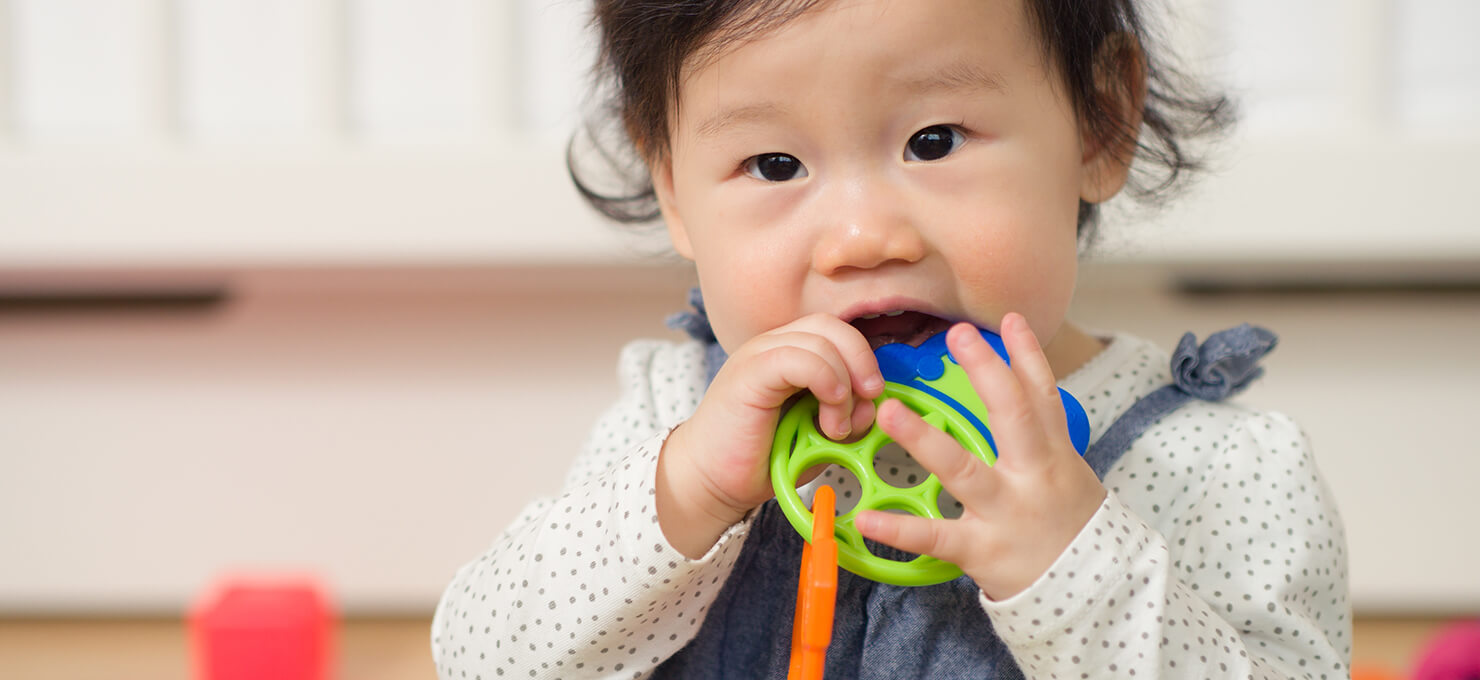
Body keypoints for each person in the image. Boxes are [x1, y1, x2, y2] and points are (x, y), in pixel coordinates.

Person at [432, 0, 1350, 677]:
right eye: (776, 165)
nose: (866, 237)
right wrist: (683, 494)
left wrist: (1076, 567)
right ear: (672, 183)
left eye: (936, 140)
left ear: (1098, 122)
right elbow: (480, 656)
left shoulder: (1215, 472)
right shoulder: (673, 417)